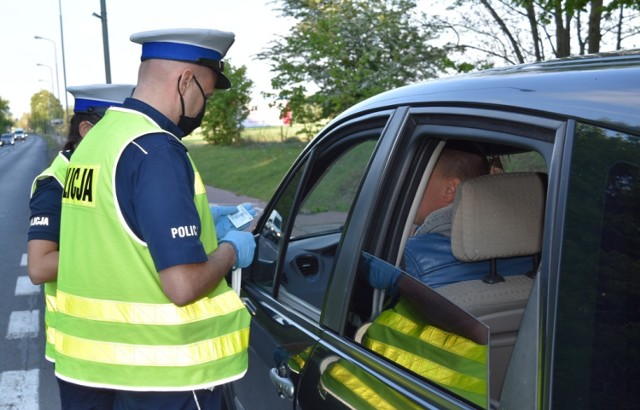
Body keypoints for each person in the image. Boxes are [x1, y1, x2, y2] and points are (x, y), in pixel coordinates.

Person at [54, 28, 255, 409]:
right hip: (163, 377)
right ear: (185, 81)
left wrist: (201, 217)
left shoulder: (96, 141)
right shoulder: (155, 148)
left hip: (91, 372)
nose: (203, 107)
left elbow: (116, 226)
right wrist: (231, 250)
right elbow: (182, 286)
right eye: (206, 96)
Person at [28, 84, 135, 367]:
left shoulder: (107, 172)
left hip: (125, 340)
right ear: (87, 130)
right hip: (82, 349)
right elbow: (39, 267)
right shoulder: (55, 182)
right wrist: (121, 250)